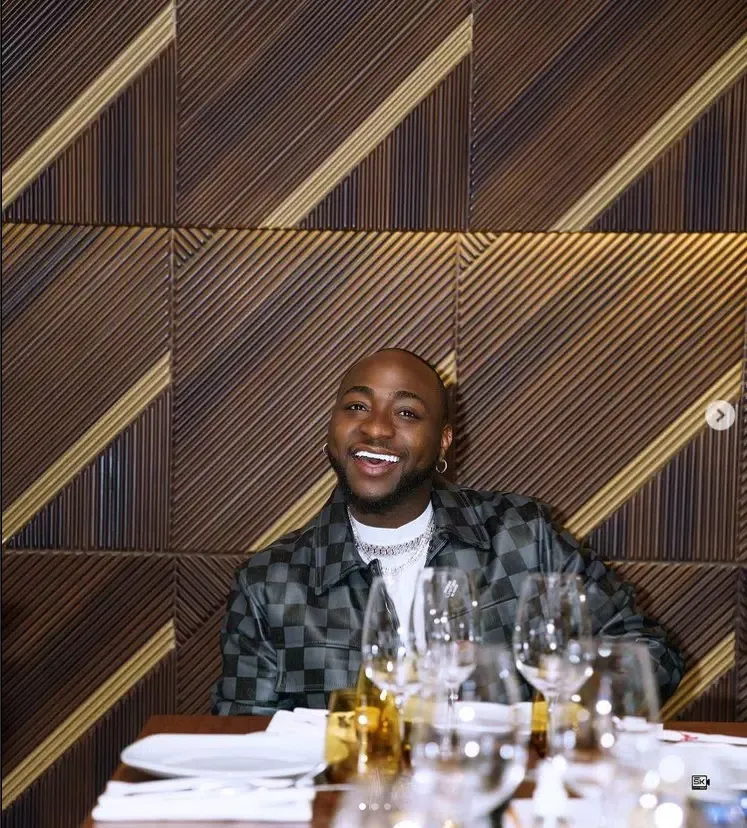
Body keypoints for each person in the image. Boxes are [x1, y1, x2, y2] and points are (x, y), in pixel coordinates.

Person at [212, 348, 683, 714]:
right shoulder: (270, 581)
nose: (376, 429)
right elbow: (242, 737)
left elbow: (649, 655)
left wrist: (543, 716)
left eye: (406, 413)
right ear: (331, 431)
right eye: (357, 406)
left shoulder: (522, 538)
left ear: (443, 441)